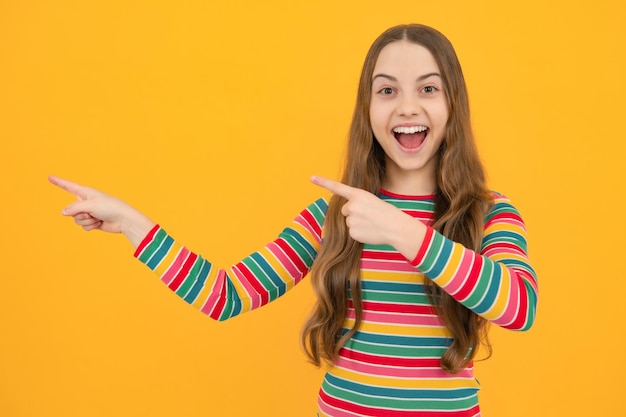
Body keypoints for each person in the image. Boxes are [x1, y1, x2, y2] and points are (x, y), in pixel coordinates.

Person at [50, 23, 538, 417]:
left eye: (428, 88)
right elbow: (227, 295)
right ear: (367, 109)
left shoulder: (489, 211)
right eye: (386, 90)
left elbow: (519, 307)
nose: (407, 106)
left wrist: (398, 229)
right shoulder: (334, 217)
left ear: (452, 103)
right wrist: (133, 224)